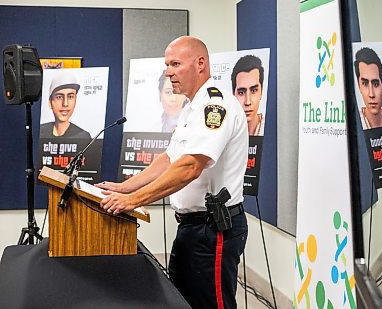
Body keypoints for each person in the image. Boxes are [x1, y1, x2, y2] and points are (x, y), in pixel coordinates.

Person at [96, 36, 249, 309]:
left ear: (200, 63)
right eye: (167, 65)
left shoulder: (217, 106)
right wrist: (125, 188)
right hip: (191, 227)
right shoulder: (191, 108)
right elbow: (169, 159)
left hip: (212, 230)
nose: (168, 72)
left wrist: (134, 201)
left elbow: (190, 166)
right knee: (181, 301)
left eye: (176, 64)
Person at [354, 47, 382, 129]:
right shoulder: (356, 124)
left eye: (376, 84)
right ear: (359, 87)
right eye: (365, 84)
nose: (371, 94)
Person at [40, 70, 91, 139]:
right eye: (59, 97)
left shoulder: (83, 137)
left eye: (70, 97)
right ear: (50, 102)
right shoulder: (40, 131)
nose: (65, 104)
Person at [230, 54, 265, 136]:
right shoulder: (226, 132)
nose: (248, 102)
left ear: (261, 91)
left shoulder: (269, 128)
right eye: (241, 93)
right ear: (233, 94)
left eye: (253, 91)